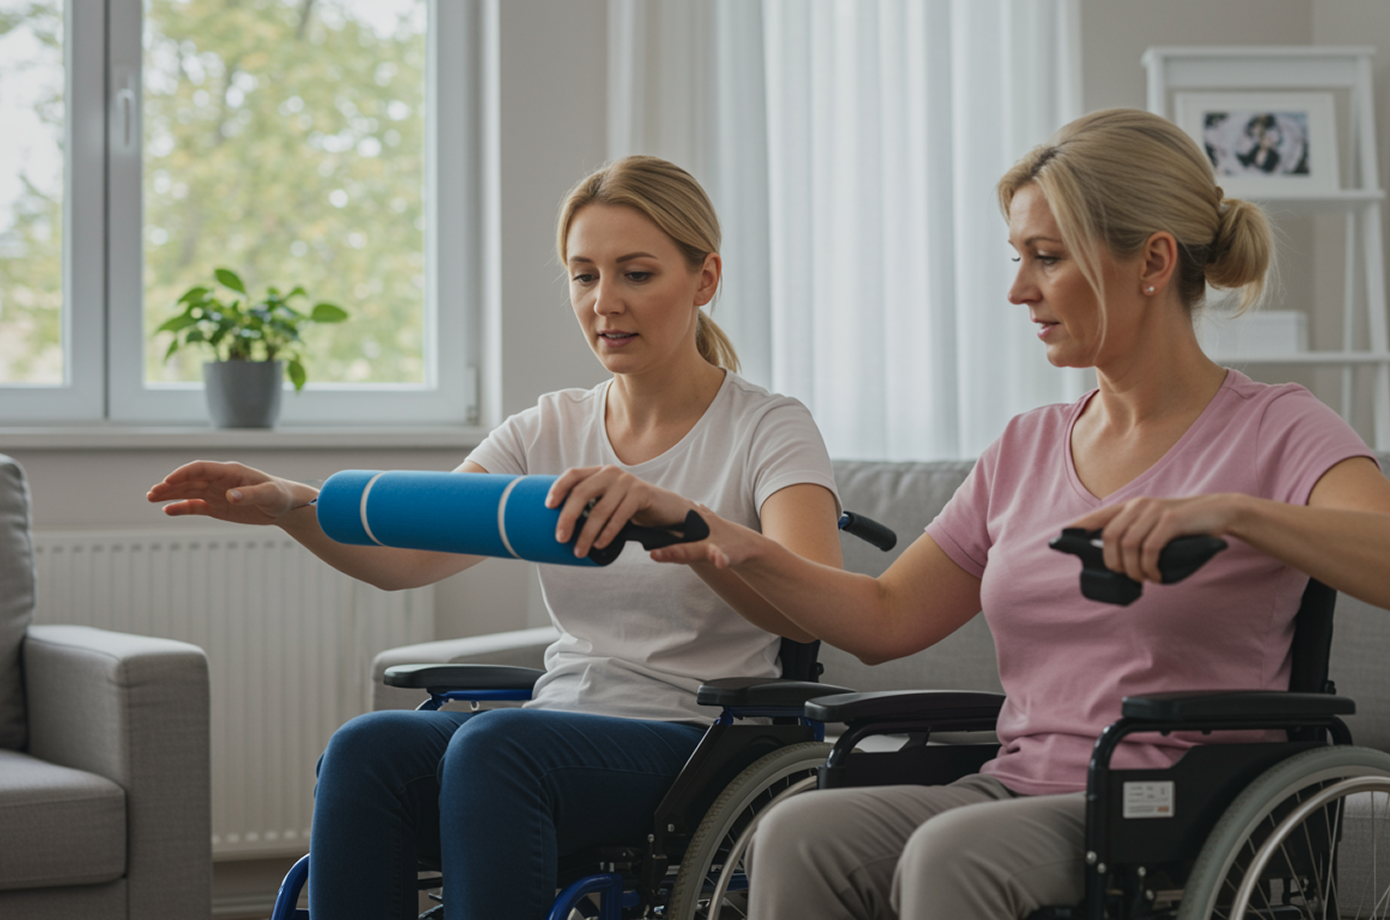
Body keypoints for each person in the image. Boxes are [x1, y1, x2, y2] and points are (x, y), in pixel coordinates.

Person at [595, 108, 1390, 919]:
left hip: (1170, 808)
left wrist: (1240, 515)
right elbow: (884, 617)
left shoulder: (1279, 428)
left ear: (1153, 260)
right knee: (795, 833)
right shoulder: (1027, 445)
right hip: (1013, 787)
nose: (1018, 290)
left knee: (953, 855)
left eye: (1046, 258)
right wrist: (711, 536)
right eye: (1018, 258)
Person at [146, 155, 843, 920]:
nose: (605, 302)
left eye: (636, 274)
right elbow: (405, 557)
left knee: (493, 747)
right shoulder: (548, 426)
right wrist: (290, 507)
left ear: (704, 279)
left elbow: (816, 605)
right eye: (584, 276)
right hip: (556, 724)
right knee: (366, 749)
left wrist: (680, 521)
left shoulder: (768, 427)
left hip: (695, 739)